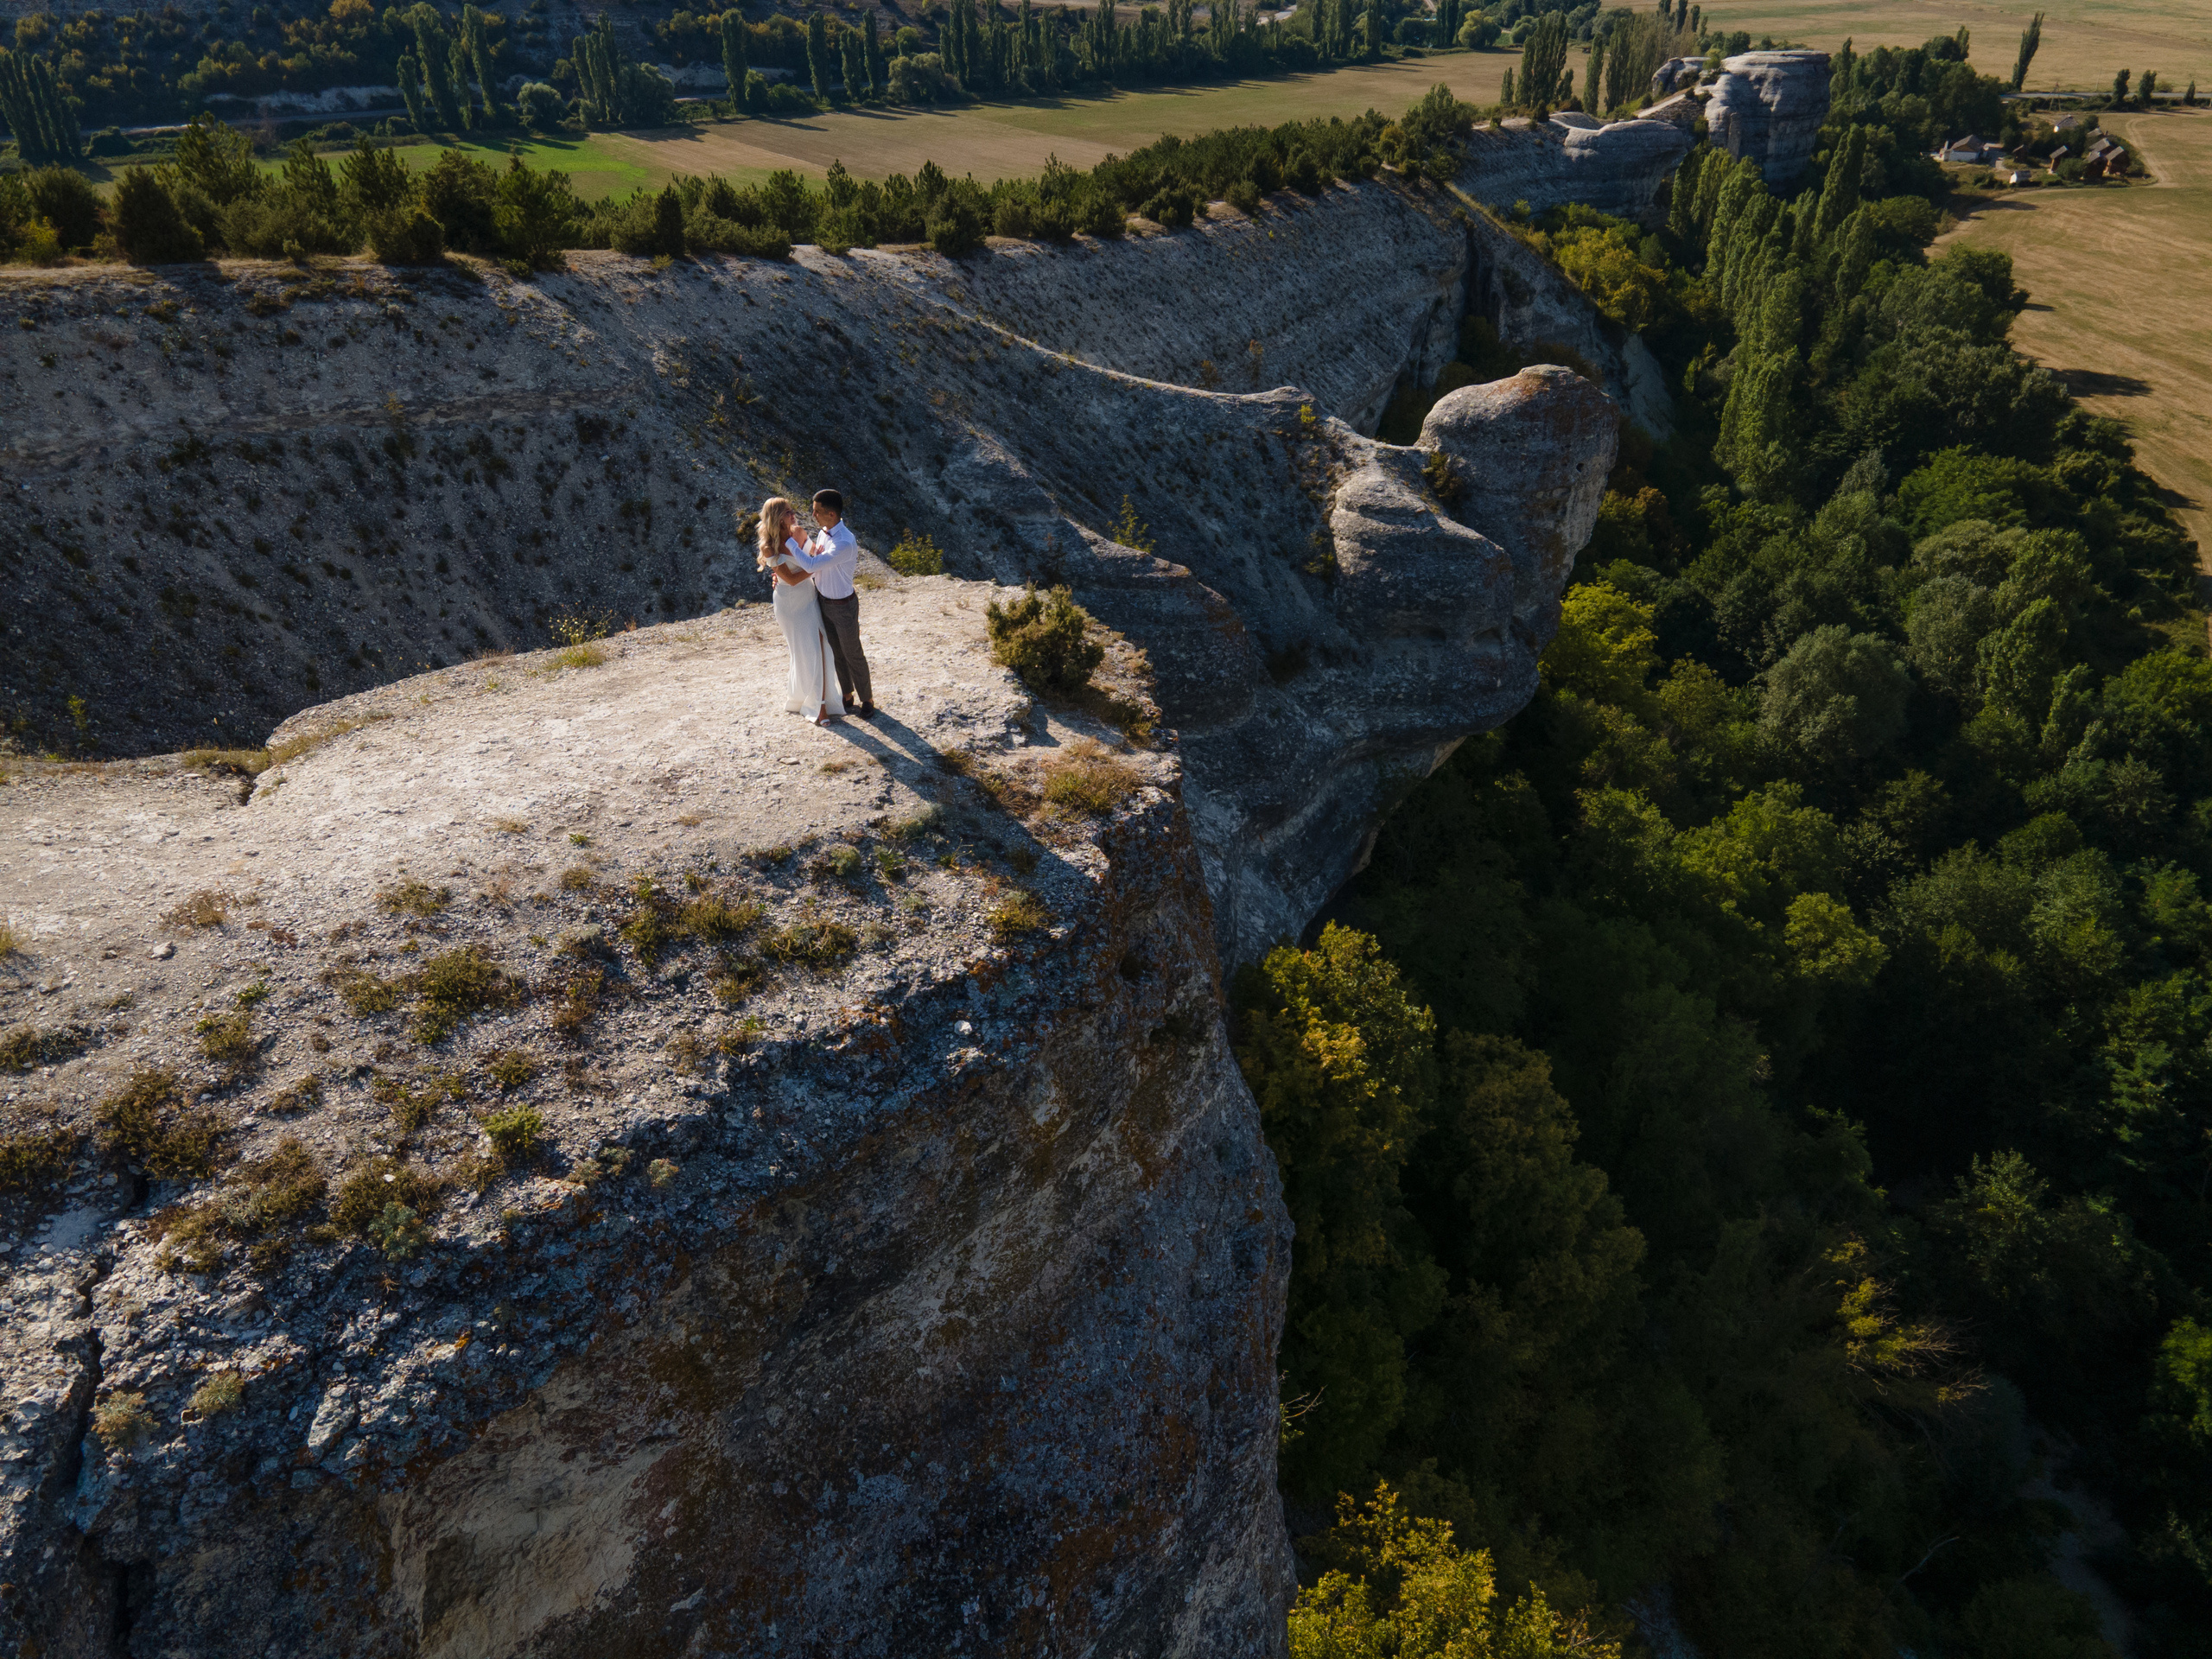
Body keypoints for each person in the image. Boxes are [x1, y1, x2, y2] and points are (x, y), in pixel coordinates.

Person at [782, 487, 876, 719]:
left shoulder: (844, 542)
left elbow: (812, 565)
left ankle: (867, 699)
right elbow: (815, 561)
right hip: (824, 601)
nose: (813, 516)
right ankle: (846, 695)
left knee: (852, 652)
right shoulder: (825, 532)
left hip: (843, 605)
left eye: (817, 512)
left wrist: (790, 543)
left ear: (831, 514)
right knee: (836, 652)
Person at [757, 496, 834, 725]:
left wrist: (817, 562)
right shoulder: (769, 547)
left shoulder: (798, 533)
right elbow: (790, 579)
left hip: (809, 597)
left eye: (792, 510)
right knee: (802, 651)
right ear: (777, 517)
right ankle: (815, 707)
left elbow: (816, 552)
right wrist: (816, 566)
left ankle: (820, 702)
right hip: (789, 602)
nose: (793, 515)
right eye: (788, 512)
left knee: (819, 644)